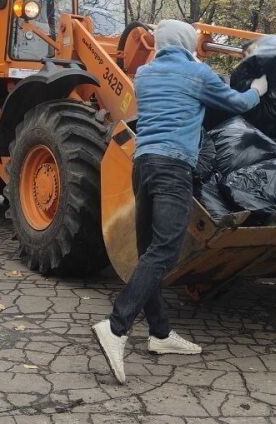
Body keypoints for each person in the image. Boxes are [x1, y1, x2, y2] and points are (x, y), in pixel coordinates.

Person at [92, 20, 267, 384]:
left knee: (148, 252)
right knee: (165, 251)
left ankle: (159, 334)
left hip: (143, 165)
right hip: (173, 166)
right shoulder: (197, 73)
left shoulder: (145, 74)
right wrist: (257, 92)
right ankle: (116, 325)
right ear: (189, 42)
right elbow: (235, 103)